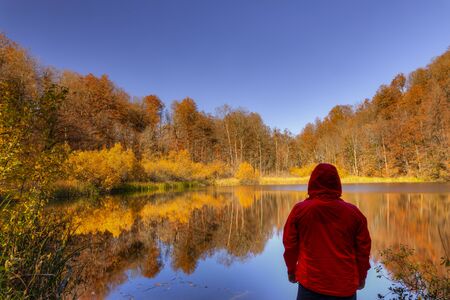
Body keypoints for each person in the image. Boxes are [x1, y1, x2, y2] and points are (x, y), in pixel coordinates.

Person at [283, 163, 371, 300]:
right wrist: (362, 276)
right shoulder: (354, 213)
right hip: (344, 287)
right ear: (337, 184)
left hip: (310, 285)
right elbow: (363, 250)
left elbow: (290, 245)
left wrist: (291, 271)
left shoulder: (300, 210)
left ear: (312, 182)